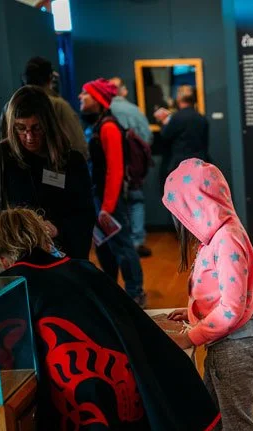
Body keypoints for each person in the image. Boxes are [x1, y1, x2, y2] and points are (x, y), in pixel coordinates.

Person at [0, 207, 220, 431]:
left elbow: (8, 364)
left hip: (77, 395)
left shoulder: (8, 287)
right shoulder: (82, 269)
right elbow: (129, 320)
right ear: (43, 236)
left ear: (2, 257)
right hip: (124, 383)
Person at [162, 159, 253, 431]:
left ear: (197, 205)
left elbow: (233, 309)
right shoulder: (216, 236)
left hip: (235, 347)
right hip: (224, 345)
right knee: (214, 424)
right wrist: (193, 312)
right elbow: (220, 296)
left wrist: (191, 336)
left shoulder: (227, 239)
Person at [0, 85, 94, 259]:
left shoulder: (72, 161)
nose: (29, 137)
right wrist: (11, 228)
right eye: (21, 128)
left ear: (48, 125)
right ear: (12, 126)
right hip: (14, 259)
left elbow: (85, 214)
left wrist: (58, 228)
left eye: (37, 128)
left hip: (61, 259)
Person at [80, 78, 146, 306]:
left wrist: (107, 207)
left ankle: (135, 292)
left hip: (110, 200)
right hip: (101, 198)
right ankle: (113, 292)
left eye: (86, 93)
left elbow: (115, 169)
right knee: (106, 247)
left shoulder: (108, 127)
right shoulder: (99, 124)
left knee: (122, 246)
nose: (80, 96)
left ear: (98, 98)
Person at [0, 56, 88, 159]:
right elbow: (78, 146)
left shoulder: (9, 107)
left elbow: (2, 146)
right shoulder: (59, 105)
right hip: (54, 166)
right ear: (50, 78)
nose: (30, 137)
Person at [109, 76, 155, 258]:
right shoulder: (133, 110)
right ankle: (136, 241)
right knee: (136, 201)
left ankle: (120, 243)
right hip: (133, 167)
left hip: (110, 167)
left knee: (114, 205)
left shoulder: (105, 110)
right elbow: (147, 137)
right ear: (124, 90)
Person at [154, 85, 210, 186]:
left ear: (179, 99)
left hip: (180, 165)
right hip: (199, 164)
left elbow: (165, 135)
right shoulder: (201, 118)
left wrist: (164, 122)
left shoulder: (177, 118)